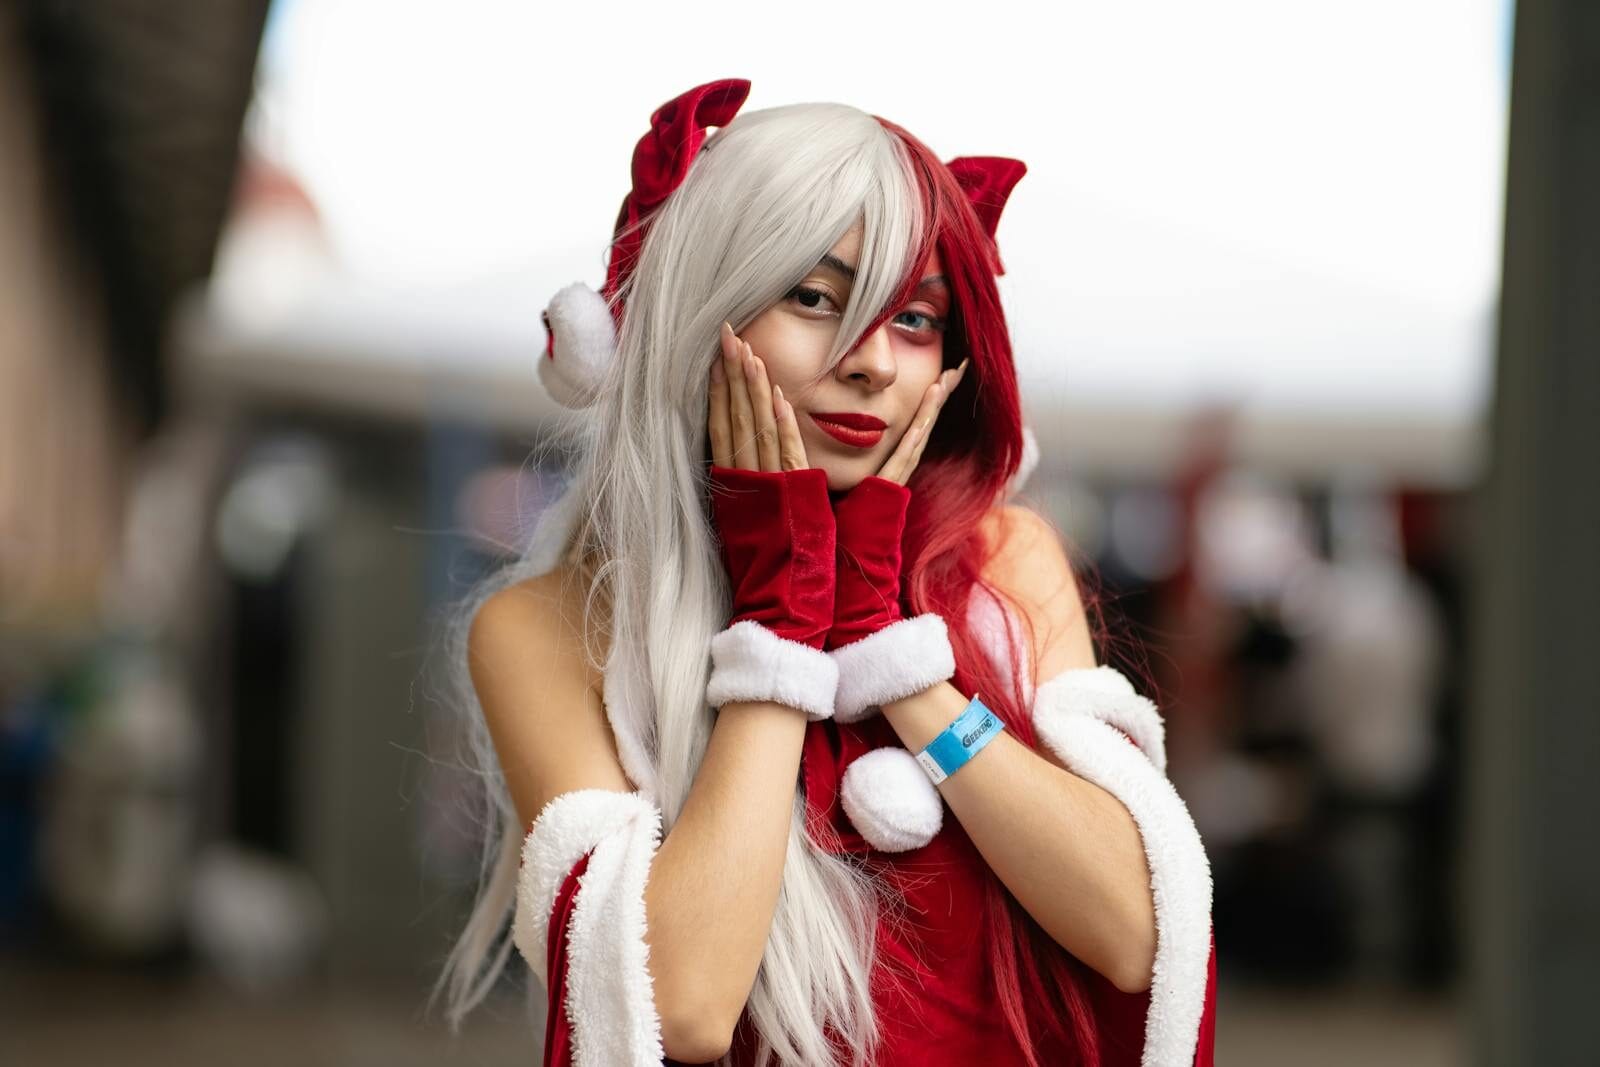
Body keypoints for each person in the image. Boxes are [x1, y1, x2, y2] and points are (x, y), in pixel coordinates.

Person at [435, 78, 1217, 1067]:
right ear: (694, 305)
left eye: (917, 318)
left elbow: (1132, 930)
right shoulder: (546, 624)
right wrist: (780, 626)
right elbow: (680, 1003)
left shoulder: (1007, 559)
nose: (870, 363)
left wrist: (900, 662)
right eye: (812, 296)